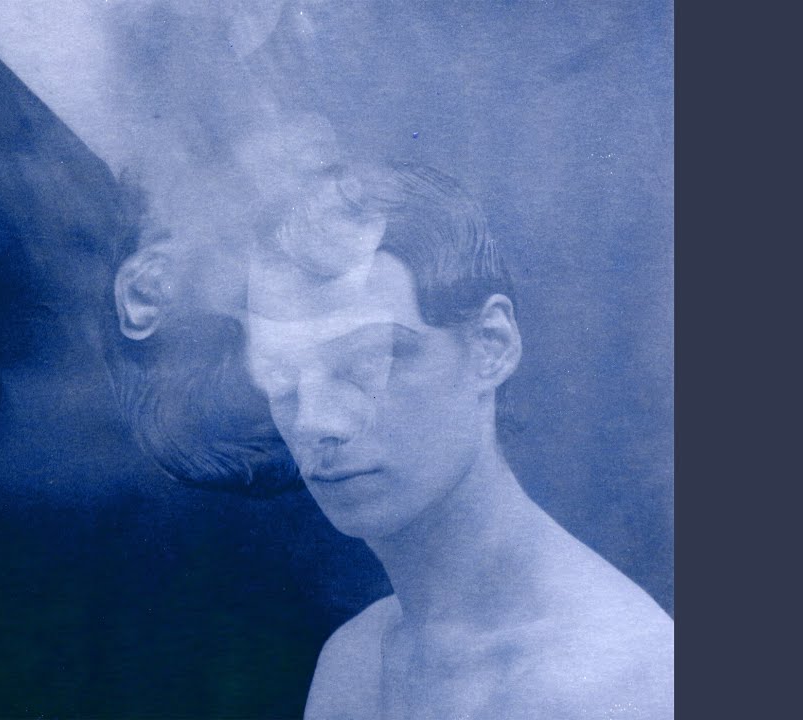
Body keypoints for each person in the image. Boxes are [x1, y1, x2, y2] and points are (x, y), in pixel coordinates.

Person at [244, 162, 673, 719]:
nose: (314, 421)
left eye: (369, 360)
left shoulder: (612, 680)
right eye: (280, 375)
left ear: (491, 346)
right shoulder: (354, 658)